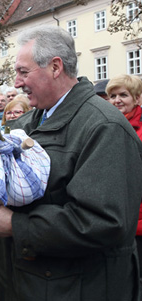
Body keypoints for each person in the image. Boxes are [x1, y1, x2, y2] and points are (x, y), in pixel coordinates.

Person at [0, 25, 142, 300]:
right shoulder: (29, 122)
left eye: (23, 71)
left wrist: (16, 226)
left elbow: (105, 222)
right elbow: (0, 179)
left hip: (76, 289)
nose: (16, 83)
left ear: (55, 67)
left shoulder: (105, 127)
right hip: (31, 283)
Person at [105, 74, 142, 287]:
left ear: (137, 99)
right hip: (117, 216)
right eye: (112, 96)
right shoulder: (108, 125)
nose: (117, 100)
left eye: (123, 95)